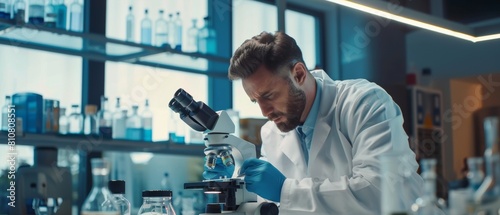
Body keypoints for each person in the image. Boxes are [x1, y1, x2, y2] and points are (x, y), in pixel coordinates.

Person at [205, 31, 424, 214]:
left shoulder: (364, 103)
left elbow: (380, 193)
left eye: (269, 96)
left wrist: (285, 189)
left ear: (298, 74)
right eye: (255, 101)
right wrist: (238, 184)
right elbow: (275, 207)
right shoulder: (272, 132)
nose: (264, 111)